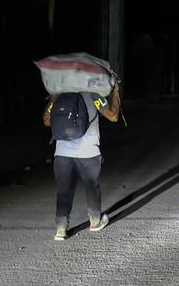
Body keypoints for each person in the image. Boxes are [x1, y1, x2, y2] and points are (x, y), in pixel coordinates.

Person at [44, 83, 121, 241]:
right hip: (88, 152)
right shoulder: (93, 95)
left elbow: (46, 120)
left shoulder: (60, 96)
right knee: (91, 186)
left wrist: (52, 98)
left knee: (64, 191)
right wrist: (115, 95)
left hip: (62, 153)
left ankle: (61, 229)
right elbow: (113, 116)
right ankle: (95, 221)